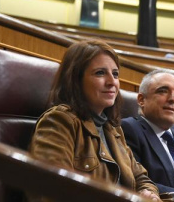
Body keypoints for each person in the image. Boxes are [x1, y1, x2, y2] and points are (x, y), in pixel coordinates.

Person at [28, 40, 160, 201]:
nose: (112, 82)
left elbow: (141, 178)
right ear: (76, 79)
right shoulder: (60, 121)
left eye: (115, 74)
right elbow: (51, 191)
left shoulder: (113, 128)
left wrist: (148, 193)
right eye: (100, 73)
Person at [121, 69, 174, 194]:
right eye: (163, 91)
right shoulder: (129, 129)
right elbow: (135, 182)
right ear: (141, 100)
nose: (173, 99)